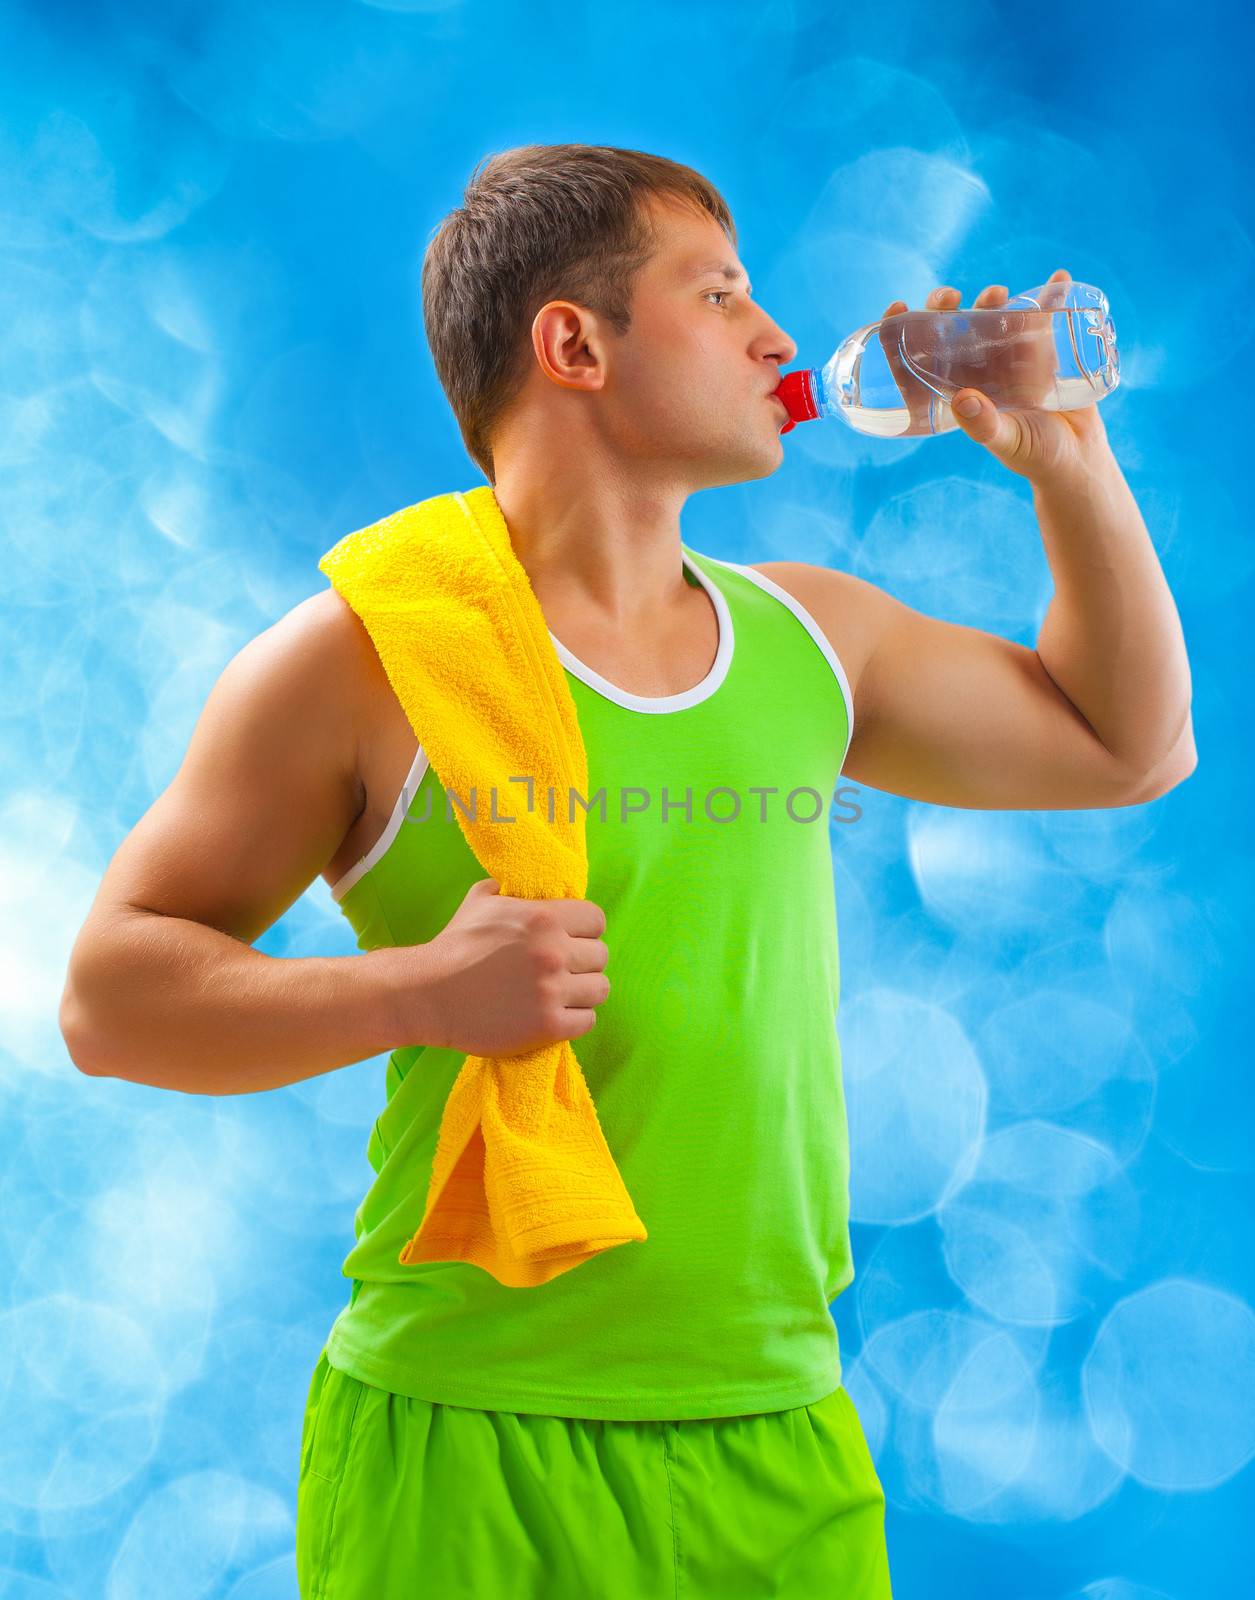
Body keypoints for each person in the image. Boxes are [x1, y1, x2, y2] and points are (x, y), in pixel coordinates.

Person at [58, 144, 1196, 1599]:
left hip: (773, 1433)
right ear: (573, 345)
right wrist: (415, 991)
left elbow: (1130, 745)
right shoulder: (363, 663)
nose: (780, 338)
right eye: (719, 295)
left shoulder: (811, 639)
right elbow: (109, 998)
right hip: (468, 1440)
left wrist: (1071, 461)